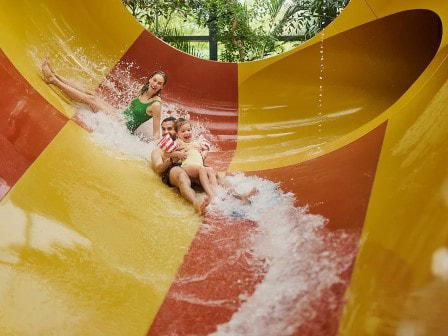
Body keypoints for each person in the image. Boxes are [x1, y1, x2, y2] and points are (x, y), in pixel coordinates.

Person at [41, 57, 166, 139]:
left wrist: (155, 147)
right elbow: (130, 110)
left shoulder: (156, 105)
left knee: (90, 100)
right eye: (154, 80)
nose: (155, 84)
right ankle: (55, 74)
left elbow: (156, 133)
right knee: (92, 94)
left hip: (122, 126)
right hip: (119, 115)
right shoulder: (143, 90)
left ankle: (52, 80)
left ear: (161, 87)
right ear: (150, 79)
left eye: (159, 83)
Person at [151, 117, 207, 213]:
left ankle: (236, 194)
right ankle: (196, 203)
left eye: (169, 129)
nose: (165, 132)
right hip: (175, 168)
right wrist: (172, 159)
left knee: (212, 173)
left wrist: (203, 154)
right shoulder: (158, 151)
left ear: (177, 131)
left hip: (191, 168)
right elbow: (157, 169)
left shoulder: (189, 143)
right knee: (181, 176)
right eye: (163, 129)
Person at [173, 118, 218, 200]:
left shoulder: (196, 142)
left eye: (188, 130)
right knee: (201, 169)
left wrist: (204, 152)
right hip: (187, 167)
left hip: (198, 167)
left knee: (210, 169)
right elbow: (168, 151)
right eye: (183, 131)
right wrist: (179, 152)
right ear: (177, 134)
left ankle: (216, 192)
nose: (186, 133)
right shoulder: (179, 142)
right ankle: (210, 194)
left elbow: (204, 150)